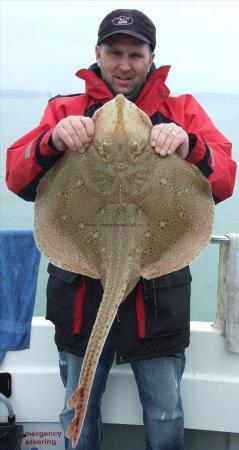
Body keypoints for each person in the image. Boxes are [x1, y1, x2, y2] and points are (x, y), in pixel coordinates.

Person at [6, 9, 236, 450]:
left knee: (165, 408)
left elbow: (224, 179)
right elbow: (18, 178)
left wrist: (191, 144)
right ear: (98, 53)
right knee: (79, 406)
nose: (125, 64)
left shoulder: (182, 111)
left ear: (152, 57)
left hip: (158, 294)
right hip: (79, 291)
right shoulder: (64, 109)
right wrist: (52, 140)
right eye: (115, 53)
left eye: (136, 53)